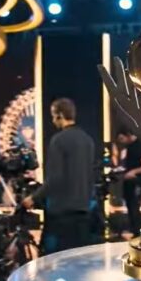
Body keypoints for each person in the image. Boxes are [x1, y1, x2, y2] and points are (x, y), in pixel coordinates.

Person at [21, 98, 95, 252]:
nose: (53, 121)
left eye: (53, 116)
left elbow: (55, 178)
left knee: (56, 258)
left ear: (60, 115)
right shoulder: (88, 140)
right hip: (83, 210)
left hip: (62, 213)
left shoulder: (59, 140)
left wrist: (33, 198)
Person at [114, 127, 141, 235]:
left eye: (122, 138)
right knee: (130, 207)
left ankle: (138, 232)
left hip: (136, 182)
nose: (121, 142)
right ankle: (133, 230)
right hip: (128, 183)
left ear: (128, 135)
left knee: (135, 208)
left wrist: (132, 172)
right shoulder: (127, 148)